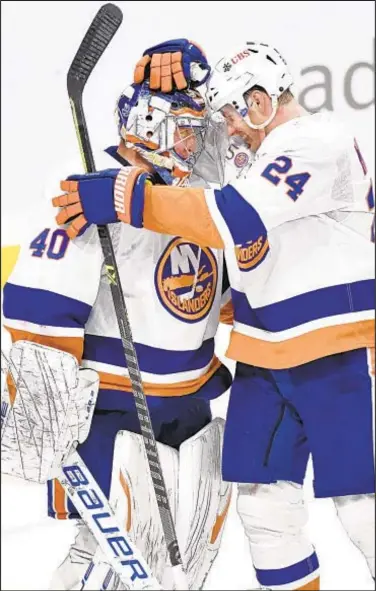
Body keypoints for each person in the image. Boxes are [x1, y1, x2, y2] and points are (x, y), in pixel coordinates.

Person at [53, 40, 375, 591]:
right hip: (260, 359)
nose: (224, 134)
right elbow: (192, 182)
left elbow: (234, 218)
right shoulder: (257, 157)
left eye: (229, 116)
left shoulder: (316, 140)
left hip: (335, 355)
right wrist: (177, 68)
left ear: (258, 102)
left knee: (363, 509)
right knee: (263, 510)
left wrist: (128, 198)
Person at [2, 80, 234, 590]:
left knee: (187, 553)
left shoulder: (194, 193)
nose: (195, 146)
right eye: (186, 131)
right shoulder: (90, 188)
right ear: (149, 122)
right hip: (117, 404)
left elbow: (218, 287)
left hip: (191, 405)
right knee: (112, 549)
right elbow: (42, 288)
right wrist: (43, 381)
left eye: (199, 132)